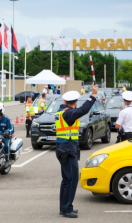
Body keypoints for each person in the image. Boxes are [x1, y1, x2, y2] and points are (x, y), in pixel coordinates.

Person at [55, 83, 98, 218]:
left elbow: (79, 110)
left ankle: (65, 207)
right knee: (72, 180)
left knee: (66, 180)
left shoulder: (62, 112)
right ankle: (67, 209)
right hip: (67, 150)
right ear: (74, 103)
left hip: (64, 149)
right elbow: (82, 110)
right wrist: (93, 96)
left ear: (65, 101)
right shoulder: (68, 114)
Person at [0, 102, 14, 169]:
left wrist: (7, 132)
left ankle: (7, 160)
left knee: (6, 145)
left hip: (4, 136)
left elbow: (11, 128)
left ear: (1, 111)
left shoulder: (7, 119)